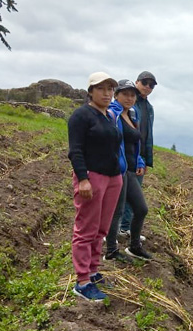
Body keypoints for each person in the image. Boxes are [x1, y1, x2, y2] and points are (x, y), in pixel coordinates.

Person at [67, 72, 123, 302]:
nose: (107, 93)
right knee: (86, 229)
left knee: (101, 228)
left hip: (112, 178)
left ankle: (93, 270)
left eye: (110, 89)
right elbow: (76, 150)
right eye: (101, 89)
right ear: (90, 91)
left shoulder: (109, 116)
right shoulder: (81, 116)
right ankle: (82, 281)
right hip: (92, 177)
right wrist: (83, 179)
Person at [103, 79, 152, 263]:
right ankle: (111, 250)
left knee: (141, 209)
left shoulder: (132, 115)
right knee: (117, 211)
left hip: (131, 170)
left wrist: (139, 160)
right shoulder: (112, 114)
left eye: (132, 95)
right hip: (118, 171)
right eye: (125, 94)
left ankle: (134, 246)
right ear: (116, 95)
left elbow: (134, 143)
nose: (130, 98)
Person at [120, 71, 156, 241]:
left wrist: (146, 160)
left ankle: (126, 228)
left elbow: (147, 135)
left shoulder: (149, 108)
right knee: (120, 194)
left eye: (152, 84)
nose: (148, 87)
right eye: (145, 82)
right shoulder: (127, 105)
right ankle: (115, 230)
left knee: (134, 196)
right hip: (123, 156)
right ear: (137, 82)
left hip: (138, 157)